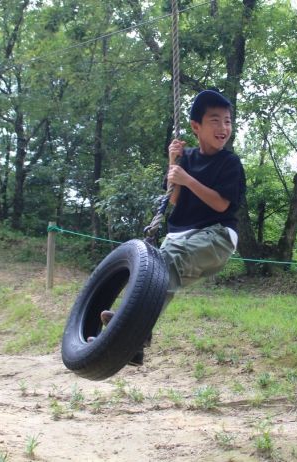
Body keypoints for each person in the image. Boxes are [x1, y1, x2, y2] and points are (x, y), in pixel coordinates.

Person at [96, 90, 246, 366]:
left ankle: (130, 328)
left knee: (166, 268)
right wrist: (173, 162)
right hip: (180, 237)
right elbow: (173, 198)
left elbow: (222, 204)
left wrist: (187, 179)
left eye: (227, 121)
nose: (223, 128)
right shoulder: (185, 158)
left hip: (217, 236)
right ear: (195, 127)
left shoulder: (230, 163)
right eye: (215, 121)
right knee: (153, 279)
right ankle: (135, 344)